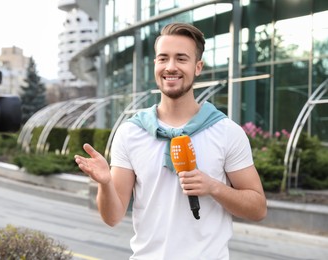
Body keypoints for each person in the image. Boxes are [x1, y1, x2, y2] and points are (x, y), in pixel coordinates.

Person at [74, 22, 267, 259]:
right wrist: (104, 183)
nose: (171, 67)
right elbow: (112, 217)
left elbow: (258, 208)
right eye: (163, 58)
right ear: (155, 64)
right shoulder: (130, 132)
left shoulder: (226, 131)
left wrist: (214, 187)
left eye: (181, 59)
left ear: (198, 67)